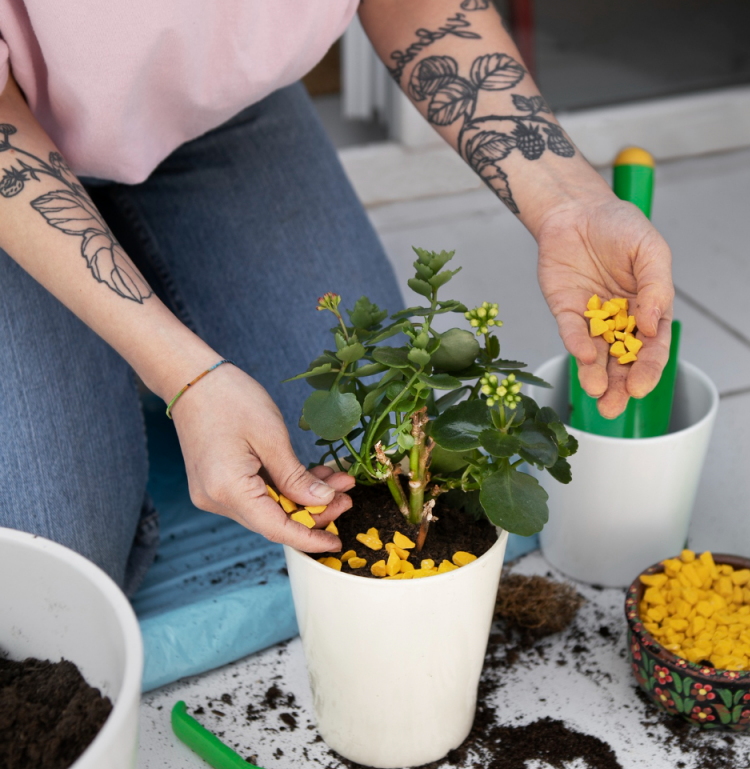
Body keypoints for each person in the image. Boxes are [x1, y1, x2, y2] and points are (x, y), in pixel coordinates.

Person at [0, 0, 673, 596]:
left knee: (363, 442)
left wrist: (568, 202)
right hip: (12, 135)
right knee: (58, 567)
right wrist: (184, 375)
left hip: (208, 107)